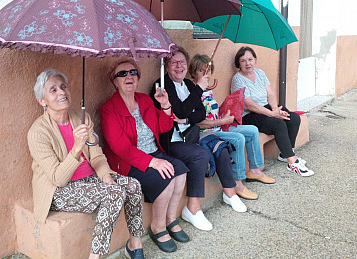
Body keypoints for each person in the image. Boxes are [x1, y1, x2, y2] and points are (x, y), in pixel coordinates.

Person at [28, 69, 145, 259]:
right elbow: (58, 178)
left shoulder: (81, 118)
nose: (61, 93)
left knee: (132, 185)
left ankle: (134, 244)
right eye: (53, 90)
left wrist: (106, 177)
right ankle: (95, 257)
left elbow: (97, 155)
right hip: (59, 190)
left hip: (90, 179)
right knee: (114, 194)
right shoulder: (38, 132)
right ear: (42, 101)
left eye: (63, 87)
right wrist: (76, 148)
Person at [151, 47, 246, 232]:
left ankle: (230, 193)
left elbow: (200, 112)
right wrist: (197, 92)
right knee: (200, 155)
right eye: (174, 62)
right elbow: (180, 110)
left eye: (182, 62)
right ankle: (192, 208)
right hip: (171, 141)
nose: (179, 66)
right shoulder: (162, 85)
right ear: (166, 66)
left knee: (221, 148)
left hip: (191, 135)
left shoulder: (187, 84)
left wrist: (186, 118)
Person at [100, 58, 189, 254]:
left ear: (138, 78)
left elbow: (164, 127)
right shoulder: (109, 109)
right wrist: (153, 162)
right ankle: (157, 227)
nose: (128, 76)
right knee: (165, 177)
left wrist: (165, 105)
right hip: (127, 162)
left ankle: (170, 219)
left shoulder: (145, 100)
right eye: (122, 74)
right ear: (114, 81)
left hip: (153, 153)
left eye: (133, 72)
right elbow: (120, 148)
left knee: (180, 171)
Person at [189, 54, 276, 200]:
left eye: (208, 70)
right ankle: (237, 182)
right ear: (193, 72)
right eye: (201, 71)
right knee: (238, 139)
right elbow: (198, 123)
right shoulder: (193, 91)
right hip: (207, 133)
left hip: (219, 126)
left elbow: (212, 113)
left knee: (252, 130)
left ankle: (255, 170)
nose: (206, 74)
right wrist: (221, 122)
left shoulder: (207, 89)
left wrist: (225, 114)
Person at [231, 46, 314, 177]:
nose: (247, 63)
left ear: (255, 60)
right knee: (278, 123)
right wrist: (271, 114)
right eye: (243, 61)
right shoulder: (238, 79)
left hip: (266, 108)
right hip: (250, 115)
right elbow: (249, 104)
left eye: (250, 59)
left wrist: (275, 109)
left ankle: (285, 153)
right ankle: (292, 162)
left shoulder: (260, 73)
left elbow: (270, 93)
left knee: (293, 118)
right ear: (238, 63)